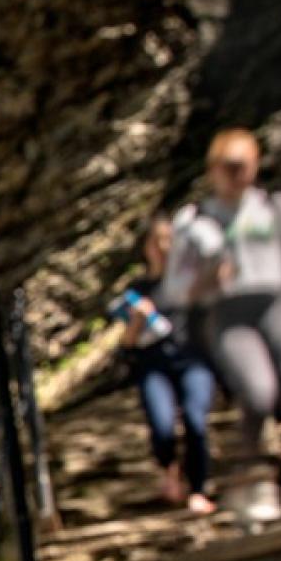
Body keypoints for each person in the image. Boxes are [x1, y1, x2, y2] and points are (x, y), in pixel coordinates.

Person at [163, 128, 281, 523]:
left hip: (276, 304)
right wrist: (204, 282)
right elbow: (174, 288)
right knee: (258, 393)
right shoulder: (195, 221)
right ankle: (258, 485)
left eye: (245, 166)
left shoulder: (275, 208)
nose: (238, 176)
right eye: (230, 168)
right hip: (228, 313)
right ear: (213, 170)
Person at [108, 211, 217, 515]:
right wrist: (138, 320)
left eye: (170, 240)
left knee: (196, 419)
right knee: (162, 425)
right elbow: (126, 345)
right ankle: (169, 470)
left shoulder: (190, 283)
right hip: (152, 365)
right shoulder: (138, 290)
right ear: (147, 247)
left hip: (192, 359)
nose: (164, 247)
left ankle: (198, 488)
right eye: (157, 241)